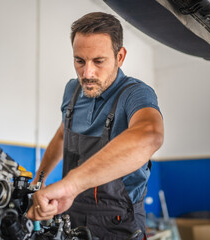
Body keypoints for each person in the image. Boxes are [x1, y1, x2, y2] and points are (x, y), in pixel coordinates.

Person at [27, 12, 164, 239]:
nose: (87, 73)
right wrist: (37, 181)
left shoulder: (135, 94)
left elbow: (150, 135)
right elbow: (63, 135)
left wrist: (70, 185)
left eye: (98, 61)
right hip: (71, 214)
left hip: (119, 223)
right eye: (79, 61)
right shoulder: (71, 91)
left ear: (120, 57)